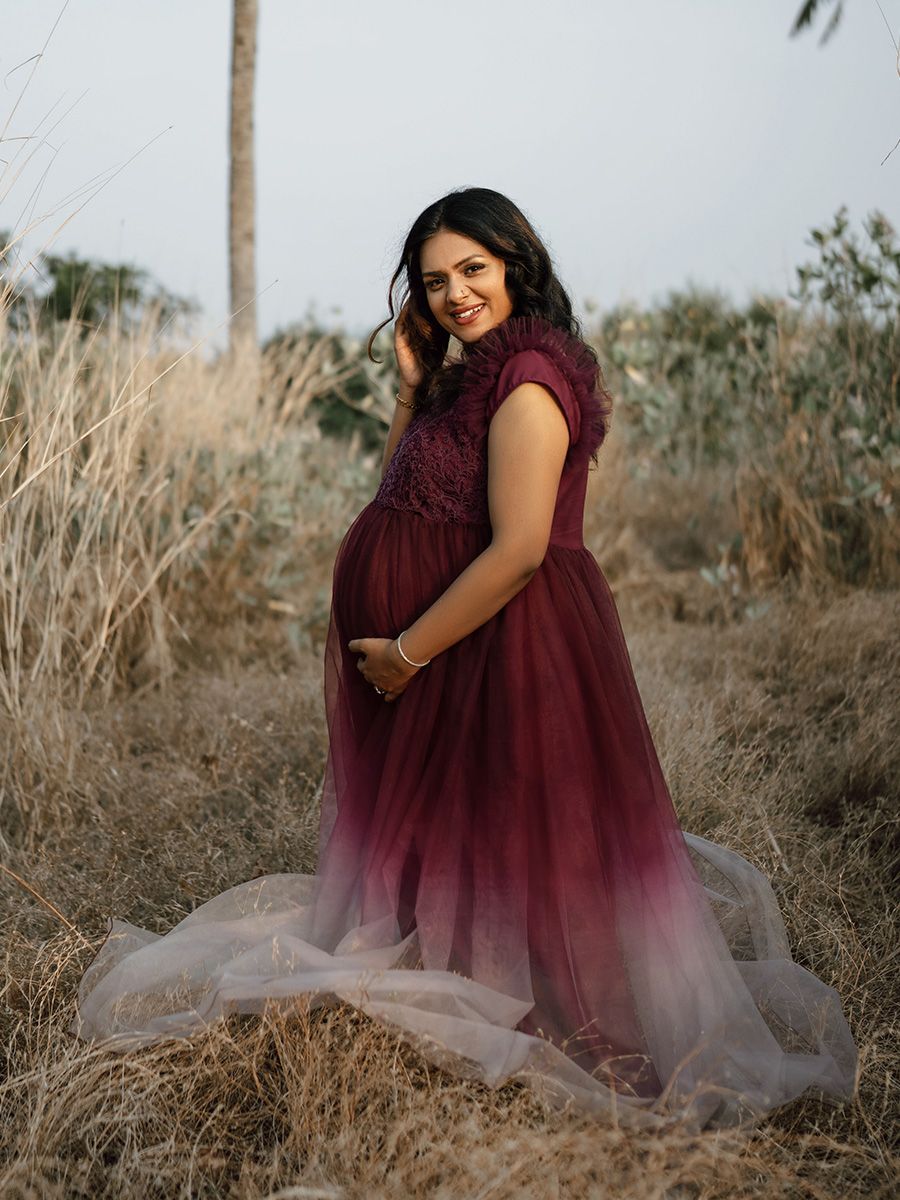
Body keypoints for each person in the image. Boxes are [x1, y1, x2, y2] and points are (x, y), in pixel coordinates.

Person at [72, 187, 857, 1131]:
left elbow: (522, 548)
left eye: (472, 271)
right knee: (461, 836)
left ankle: (567, 1020)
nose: (453, 294)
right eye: (434, 280)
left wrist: (405, 650)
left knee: (521, 832)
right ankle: (466, 973)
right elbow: (398, 492)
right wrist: (409, 388)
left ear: (515, 264)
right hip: (455, 644)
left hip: (503, 642)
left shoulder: (526, 381)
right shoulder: (464, 377)